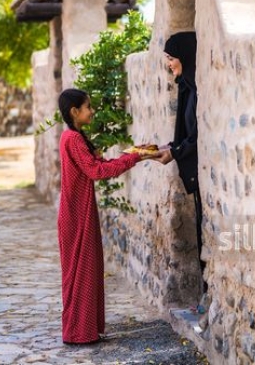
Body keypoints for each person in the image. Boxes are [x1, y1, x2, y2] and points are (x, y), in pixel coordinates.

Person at [57, 88, 158, 345]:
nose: (92, 111)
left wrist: (134, 155)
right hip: (76, 214)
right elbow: (97, 171)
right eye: (88, 107)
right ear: (74, 111)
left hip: (76, 211)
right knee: (82, 271)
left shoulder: (71, 136)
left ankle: (84, 329)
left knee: (86, 270)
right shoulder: (73, 139)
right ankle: (78, 333)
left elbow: (98, 165)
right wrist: (134, 158)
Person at [154, 31, 208, 296]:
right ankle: (205, 296)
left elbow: (200, 135)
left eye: (171, 58)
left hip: (204, 175)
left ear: (185, 56)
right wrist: (170, 148)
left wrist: (175, 152)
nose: (169, 64)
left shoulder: (198, 89)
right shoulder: (187, 86)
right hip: (197, 176)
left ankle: (207, 297)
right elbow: (187, 135)